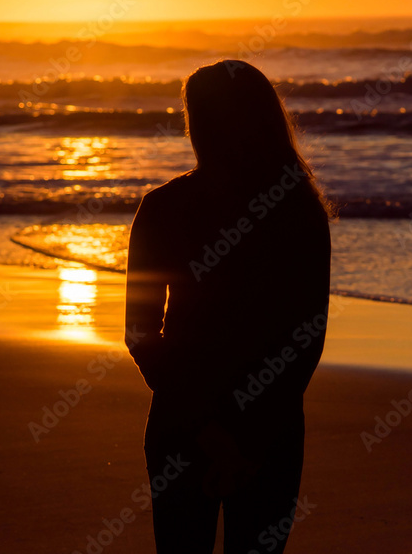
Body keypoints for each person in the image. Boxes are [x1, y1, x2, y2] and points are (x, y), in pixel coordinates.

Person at [124, 59, 332, 553]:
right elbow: (306, 338)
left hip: (184, 424)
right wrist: (246, 437)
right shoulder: (298, 209)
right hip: (270, 429)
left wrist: (208, 430)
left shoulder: (163, 207)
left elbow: (141, 334)